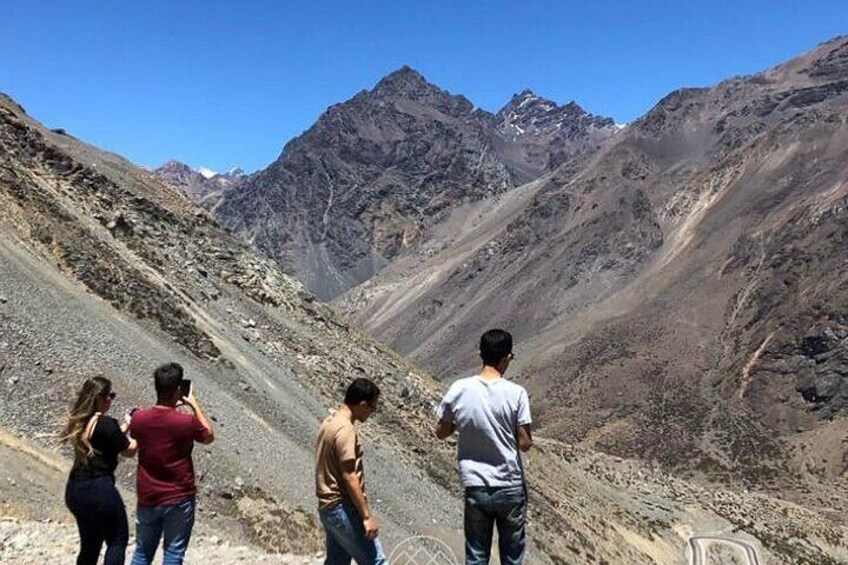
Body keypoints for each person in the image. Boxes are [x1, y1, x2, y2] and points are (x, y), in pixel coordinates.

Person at [435, 329, 533, 565]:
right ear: (507, 358)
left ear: (480, 353)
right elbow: (525, 443)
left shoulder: (459, 389)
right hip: (509, 485)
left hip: (476, 484)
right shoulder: (516, 393)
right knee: (512, 557)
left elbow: (441, 432)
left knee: (477, 556)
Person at [128, 362, 214, 565]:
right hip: (178, 496)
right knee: (173, 553)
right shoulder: (185, 422)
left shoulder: (139, 419)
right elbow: (208, 436)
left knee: (141, 553)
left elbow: (137, 441)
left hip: (148, 495)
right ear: (178, 390)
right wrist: (193, 405)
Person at [60, 376, 138, 565]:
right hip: (99, 488)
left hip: (75, 488)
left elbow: (109, 438)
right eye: (108, 395)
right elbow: (130, 450)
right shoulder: (105, 423)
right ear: (97, 398)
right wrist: (139, 431)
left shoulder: (82, 421)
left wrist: (126, 425)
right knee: (117, 539)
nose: (110, 399)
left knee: (90, 544)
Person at [315, 377, 386, 565]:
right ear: (362, 404)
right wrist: (366, 517)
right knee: (376, 561)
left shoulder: (329, 422)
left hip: (328, 507)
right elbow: (349, 475)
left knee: (337, 561)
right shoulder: (345, 430)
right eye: (372, 407)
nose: (372, 412)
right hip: (342, 507)